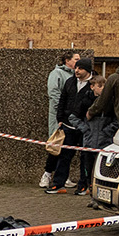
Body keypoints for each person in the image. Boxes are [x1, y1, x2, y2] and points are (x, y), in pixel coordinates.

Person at [45, 56, 95, 193]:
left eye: (80, 68)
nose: (76, 70)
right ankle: (58, 184)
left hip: (85, 127)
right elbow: (63, 100)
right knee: (64, 155)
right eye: (76, 67)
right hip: (68, 125)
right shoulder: (70, 82)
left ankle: (84, 185)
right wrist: (60, 118)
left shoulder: (94, 84)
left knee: (85, 157)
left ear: (88, 70)